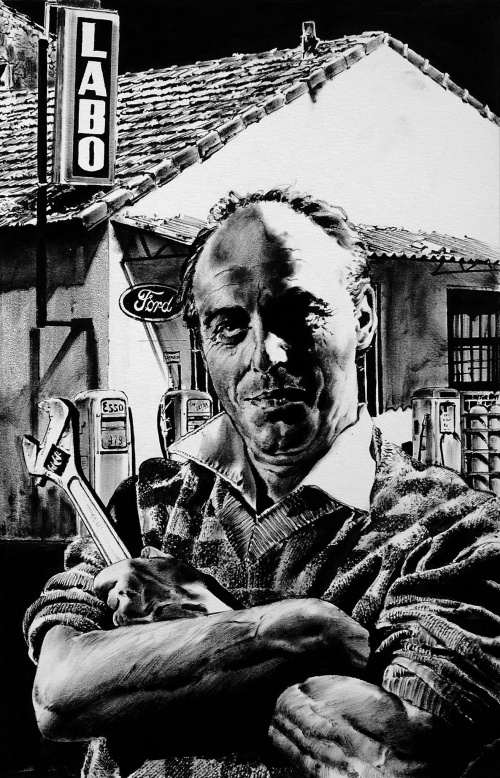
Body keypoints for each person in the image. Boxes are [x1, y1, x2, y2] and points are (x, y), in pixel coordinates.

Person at [24, 188, 500, 778]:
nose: (267, 355)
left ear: (363, 317)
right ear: (202, 342)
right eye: (229, 325)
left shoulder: (455, 531)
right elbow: (61, 692)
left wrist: (192, 634)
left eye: (298, 315)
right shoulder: (144, 504)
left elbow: (390, 759)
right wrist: (306, 633)